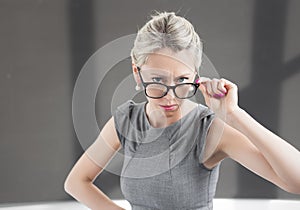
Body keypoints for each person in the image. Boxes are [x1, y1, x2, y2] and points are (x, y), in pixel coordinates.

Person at [64, 11, 300, 210]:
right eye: (157, 79)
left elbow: (296, 182)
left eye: (182, 80)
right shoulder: (127, 121)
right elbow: (76, 182)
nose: (169, 97)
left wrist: (234, 115)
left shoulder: (208, 129)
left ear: (196, 76)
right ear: (137, 73)